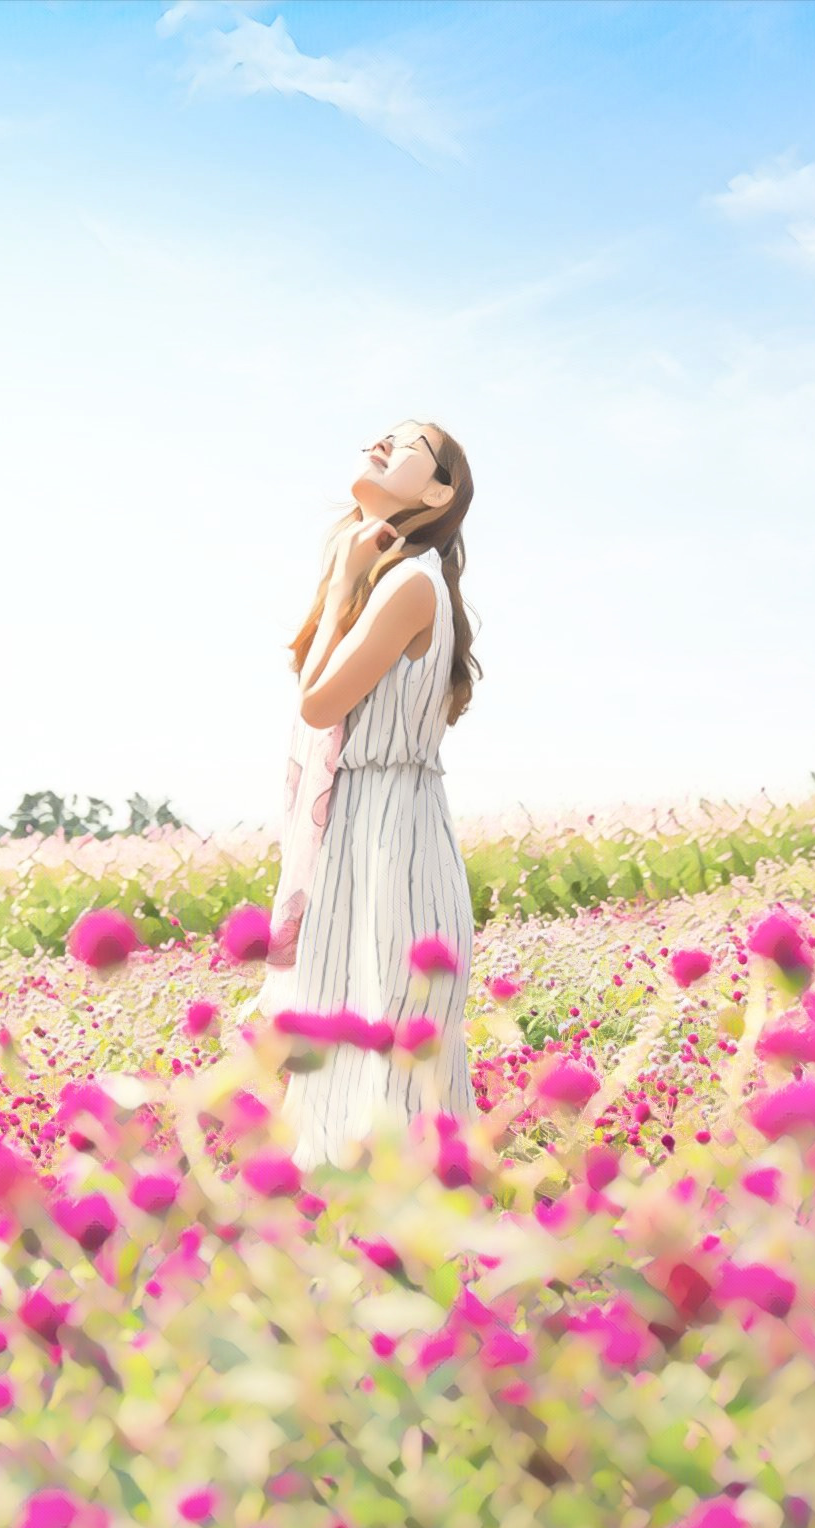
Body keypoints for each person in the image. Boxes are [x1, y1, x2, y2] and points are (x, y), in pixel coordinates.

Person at [242, 419, 483, 1171]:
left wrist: (345, 579)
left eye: (407, 442)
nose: (381, 440)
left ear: (440, 491)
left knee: (385, 1044)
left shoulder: (410, 584)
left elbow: (316, 703)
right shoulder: (408, 579)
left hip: (388, 836)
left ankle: (407, 1243)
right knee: (358, 1039)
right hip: (373, 826)